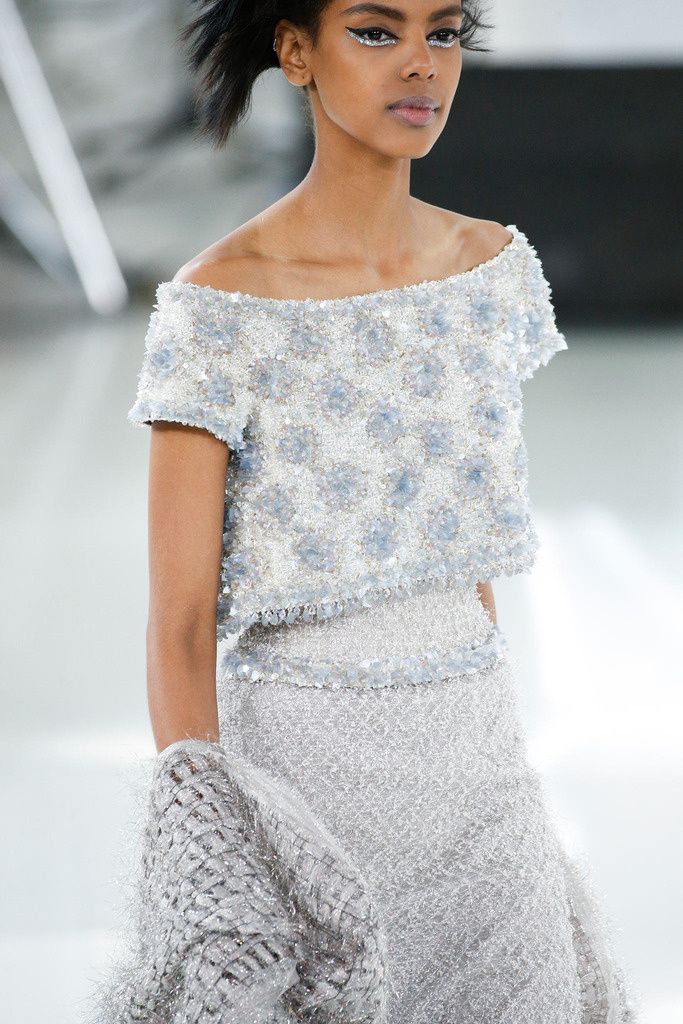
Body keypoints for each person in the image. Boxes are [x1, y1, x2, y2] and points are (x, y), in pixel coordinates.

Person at [90, 2, 639, 1022]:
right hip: (305, 794)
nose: (421, 65)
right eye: (377, 33)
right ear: (294, 51)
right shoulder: (220, 306)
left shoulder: (486, 272)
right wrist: (216, 848)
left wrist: (501, 754)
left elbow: (465, 554)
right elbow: (178, 626)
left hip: (477, 779)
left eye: (444, 32)